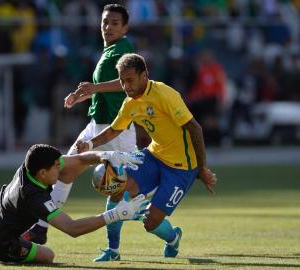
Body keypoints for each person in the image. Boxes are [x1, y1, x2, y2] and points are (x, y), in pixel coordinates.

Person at [29, 4, 150, 262]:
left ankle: (161, 221)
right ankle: (40, 230)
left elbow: (125, 83)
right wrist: (83, 94)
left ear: (125, 28)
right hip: (98, 124)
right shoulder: (108, 51)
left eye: (114, 23)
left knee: (131, 188)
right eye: (105, 22)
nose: (108, 27)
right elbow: (104, 90)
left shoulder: (123, 48)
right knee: (63, 171)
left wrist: (93, 88)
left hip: (115, 130)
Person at [77, 53, 217, 259]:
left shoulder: (165, 94)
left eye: (130, 80)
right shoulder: (130, 103)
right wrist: (89, 144)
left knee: (151, 223)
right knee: (117, 189)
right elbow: (113, 130)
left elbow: (195, 129)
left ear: (144, 75)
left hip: (182, 168)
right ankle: (113, 250)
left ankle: (173, 238)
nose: (126, 86)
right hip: (154, 155)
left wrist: (201, 169)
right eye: (122, 81)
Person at [0, 144, 147, 264]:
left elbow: (73, 161)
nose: (60, 168)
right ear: (43, 172)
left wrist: (104, 155)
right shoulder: (37, 200)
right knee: (48, 256)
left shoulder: (29, 166)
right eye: (56, 167)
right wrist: (115, 214)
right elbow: (73, 229)